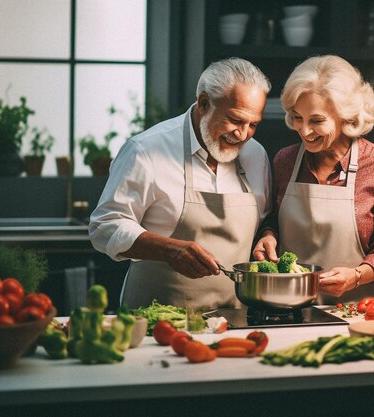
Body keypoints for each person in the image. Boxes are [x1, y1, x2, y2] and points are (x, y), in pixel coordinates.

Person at [89, 57, 272, 309]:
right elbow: (104, 226)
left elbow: (265, 222)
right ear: (204, 103)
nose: (242, 134)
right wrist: (168, 250)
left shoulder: (256, 155)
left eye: (253, 125)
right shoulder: (146, 150)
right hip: (157, 318)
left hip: (233, 318)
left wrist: (267, 236)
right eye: (235, 120)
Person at [253, 55, 374, 303]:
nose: (304, 130)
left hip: (353, 310)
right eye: (298, 117)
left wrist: (356, 276)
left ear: (347, 116)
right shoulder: (285, 161)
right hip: (287, 306)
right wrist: (268, 235)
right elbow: (273, 219)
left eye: (317, 120)